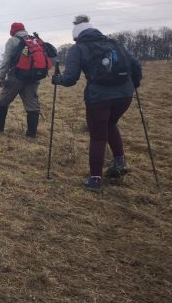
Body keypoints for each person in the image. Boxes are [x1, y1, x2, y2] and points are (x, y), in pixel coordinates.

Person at [52, 15, 142, 192]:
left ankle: (95, 179)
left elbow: (70, 79)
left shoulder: (77, 49)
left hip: (99, 98)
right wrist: (133, 85)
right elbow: (135, 66)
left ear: (76, 36)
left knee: (98, 135)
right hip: (125, 95)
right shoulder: (114, 43)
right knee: (111, 123)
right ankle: (119, 160)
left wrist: (57, 79)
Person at [0, 22, 42, 138]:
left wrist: (1, 77)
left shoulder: (12, 41)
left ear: (13, 31)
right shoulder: (34, 40)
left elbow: (6, 60)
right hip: (33, 77)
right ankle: (31, 133)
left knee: (3, 100)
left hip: (16, 76)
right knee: (32, 105)